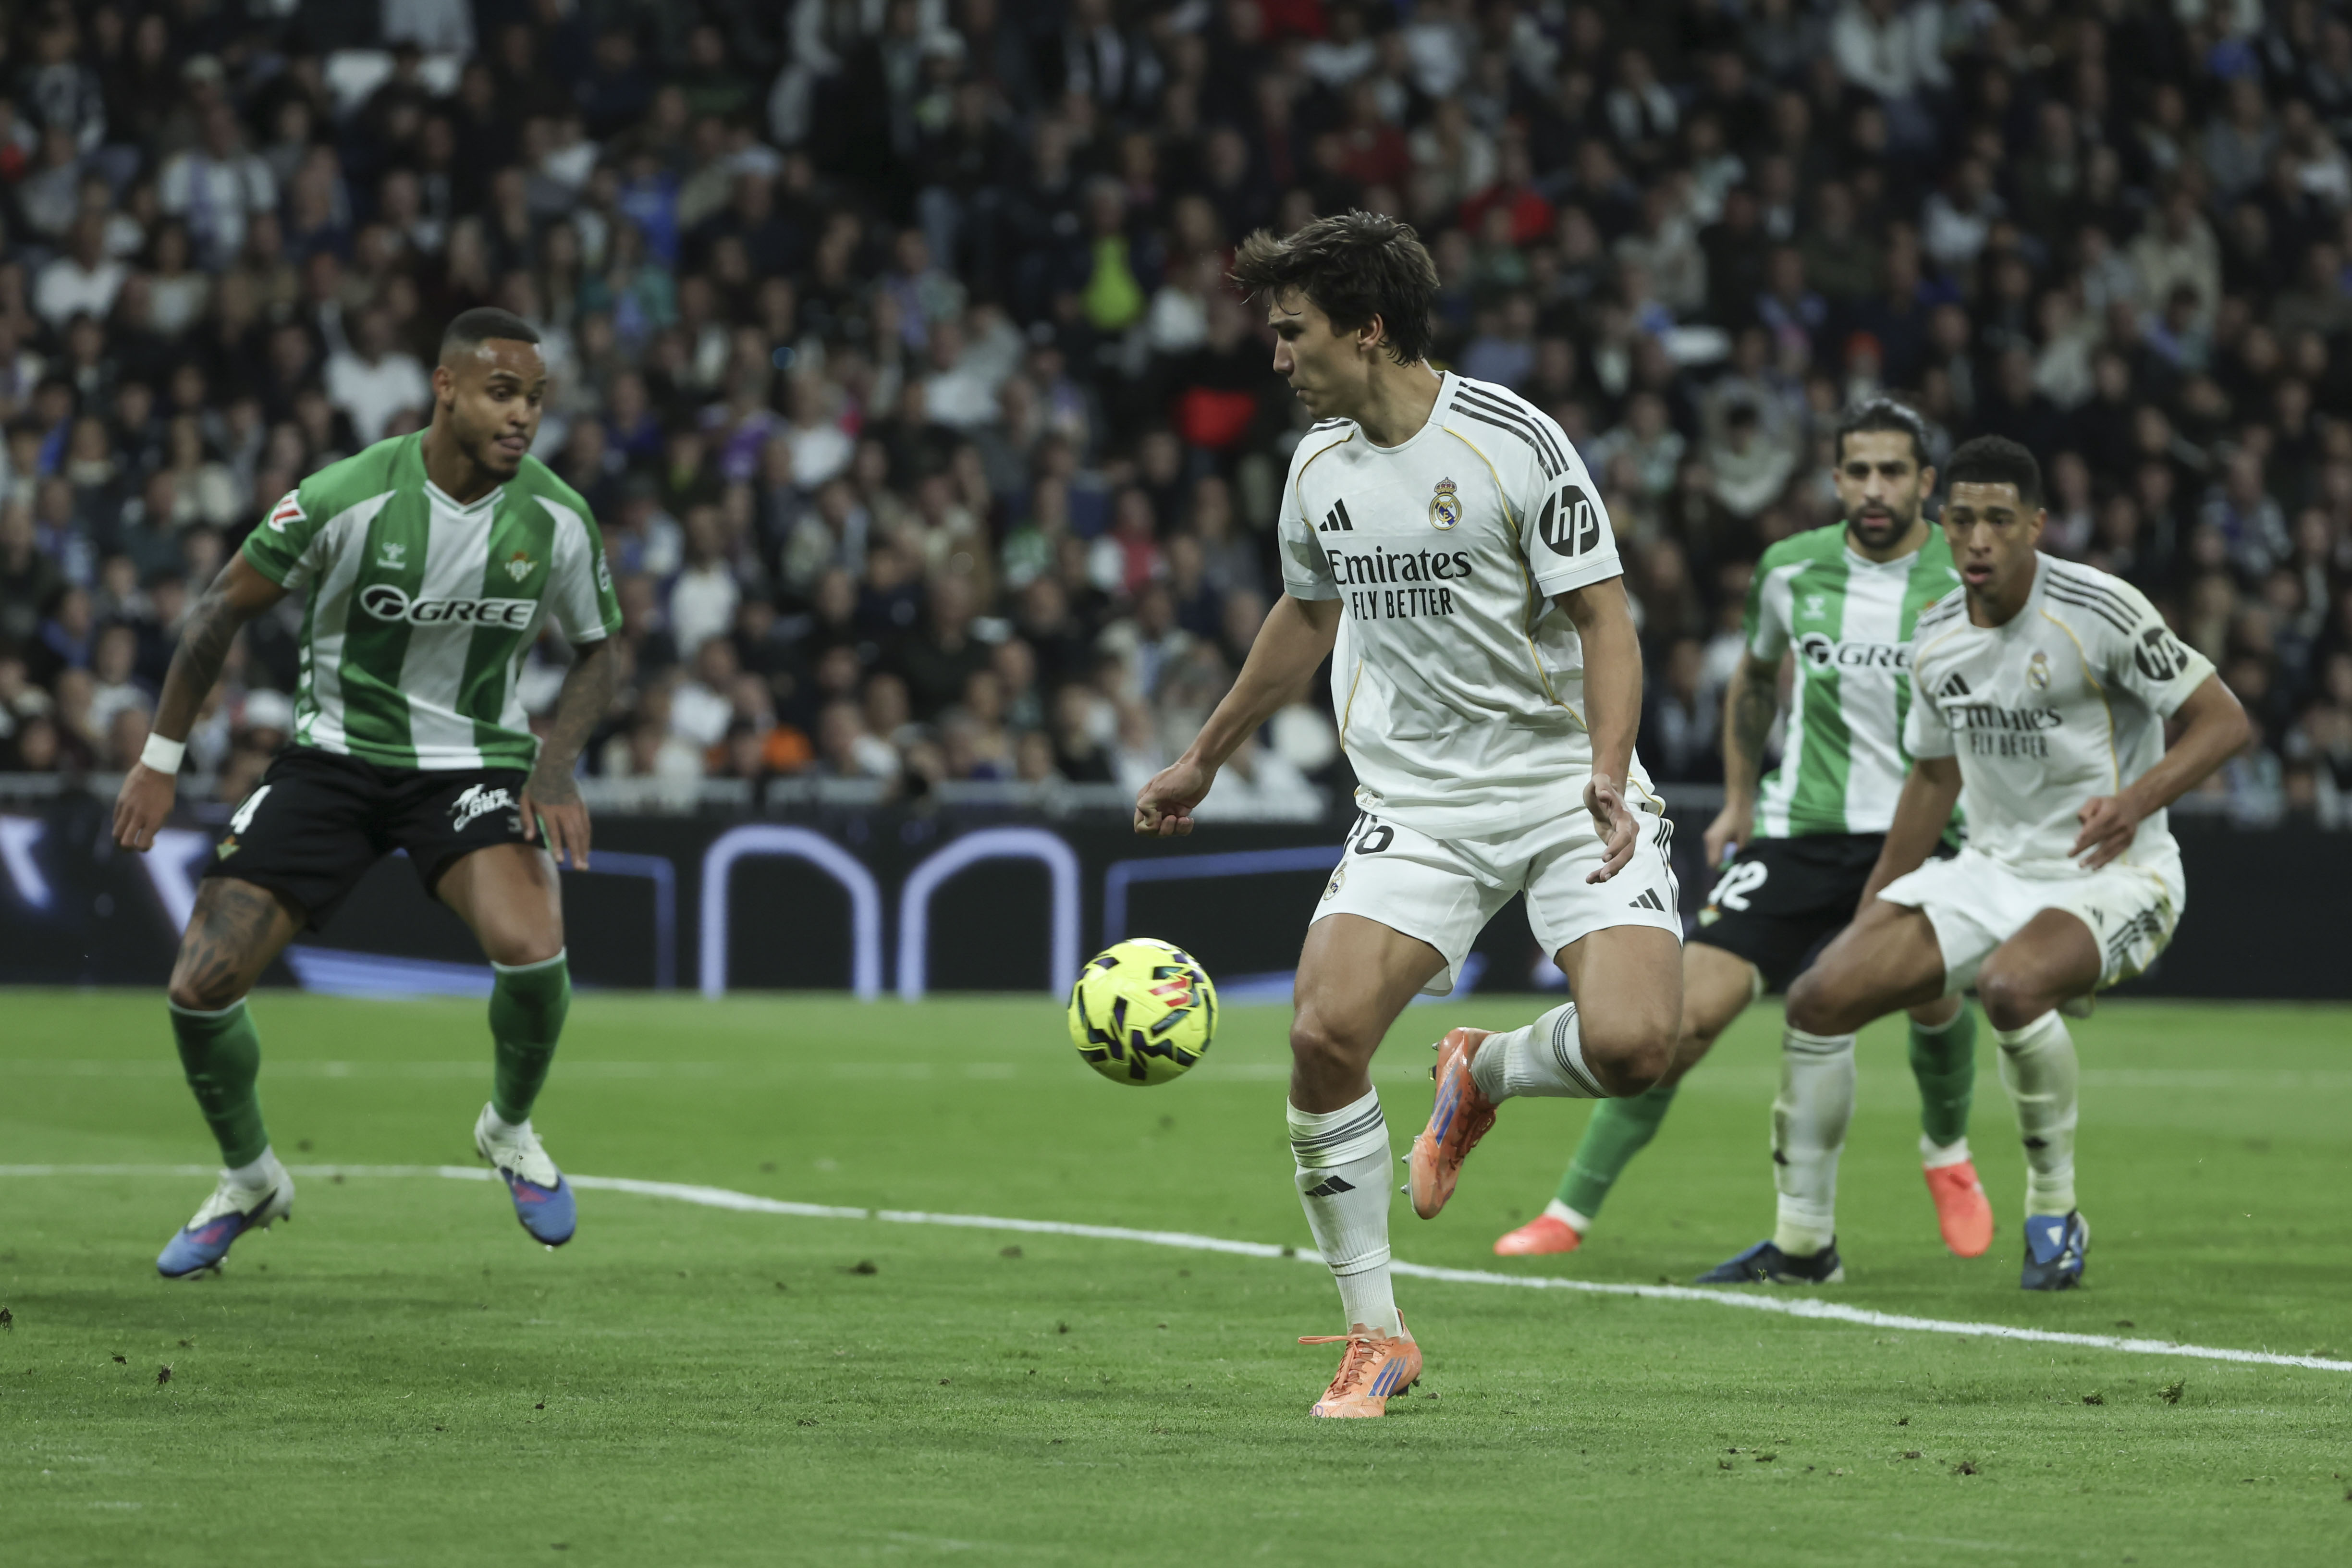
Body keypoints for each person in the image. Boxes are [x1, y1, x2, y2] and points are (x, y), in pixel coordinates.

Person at [1133, 212, 1681, 1419]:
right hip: (1418, 803)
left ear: (1367, 330)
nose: (1278, 359)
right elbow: (1305, 616)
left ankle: (1483, 1070)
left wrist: (1608, 764)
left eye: (1294, 334)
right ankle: (1375, 1334)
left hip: (1556, 784)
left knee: (1639, 1046)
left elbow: (1606, 619)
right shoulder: (1317, 465)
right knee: (1325, 1034)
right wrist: (1202, 759)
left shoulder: (1514, 442)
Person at [112, 307, 623, 1278]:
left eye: (536, 399)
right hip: (335, 762)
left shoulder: (556, 517)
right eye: (502, 394)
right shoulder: (345, 497)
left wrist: (554, 768)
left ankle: (508, 1130)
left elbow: (601, 651)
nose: (523, 418)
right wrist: (161, 759)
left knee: (532, 943)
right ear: (446, 389)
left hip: (470, 766)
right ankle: (251, 1178)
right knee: (199, 986)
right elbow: (220, 610)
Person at [1497, 399, 1995, 1279]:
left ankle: (1947, 1150)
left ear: (1927, 483)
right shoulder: (1789, 570)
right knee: (1680, 1023)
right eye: (1858, 471)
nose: (1874, 489)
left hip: (1930, 831)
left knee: (1931, 996)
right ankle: (1568, 1210)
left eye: (1893, 472)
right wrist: (1736, 802)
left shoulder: (1967, 580)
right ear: (1835, 478)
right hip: (1800, 831)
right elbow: (1757, 682)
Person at [1768, 436, 2248, 1290]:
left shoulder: (2101, 609)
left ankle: (2054, 1214)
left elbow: (2222, 720)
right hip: (1989, 873)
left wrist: (2135, 802)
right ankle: (1803, 1247)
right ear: (1940, 525)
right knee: (1817, 999)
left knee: (2011, 989)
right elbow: (1933, 775)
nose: (1979, 539)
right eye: (1962, 521)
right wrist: (1879, 901)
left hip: (2118, 871)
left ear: (2036, 524)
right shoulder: (1938, 634)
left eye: (1998, 520)